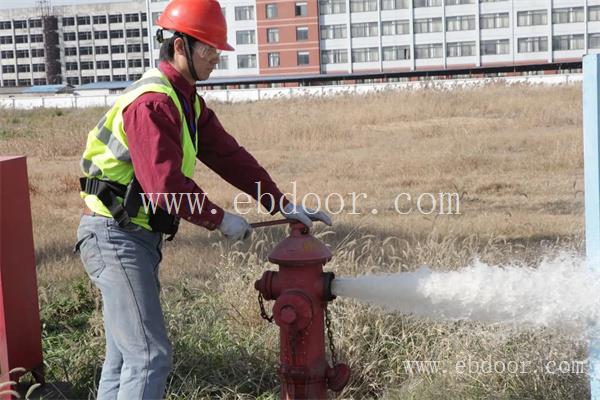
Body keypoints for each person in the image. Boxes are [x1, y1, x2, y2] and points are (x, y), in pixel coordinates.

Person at [74, 0, 331, 398]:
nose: (216, 59)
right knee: (148, 357)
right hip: (114, 239)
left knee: (125, 359)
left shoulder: (186, 100)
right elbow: (164, 184)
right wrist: (219, 218)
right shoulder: (153, 103)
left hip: (134, 238)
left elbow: (229, 156)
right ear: (181, 46)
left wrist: (280, 204)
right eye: (209, 49)